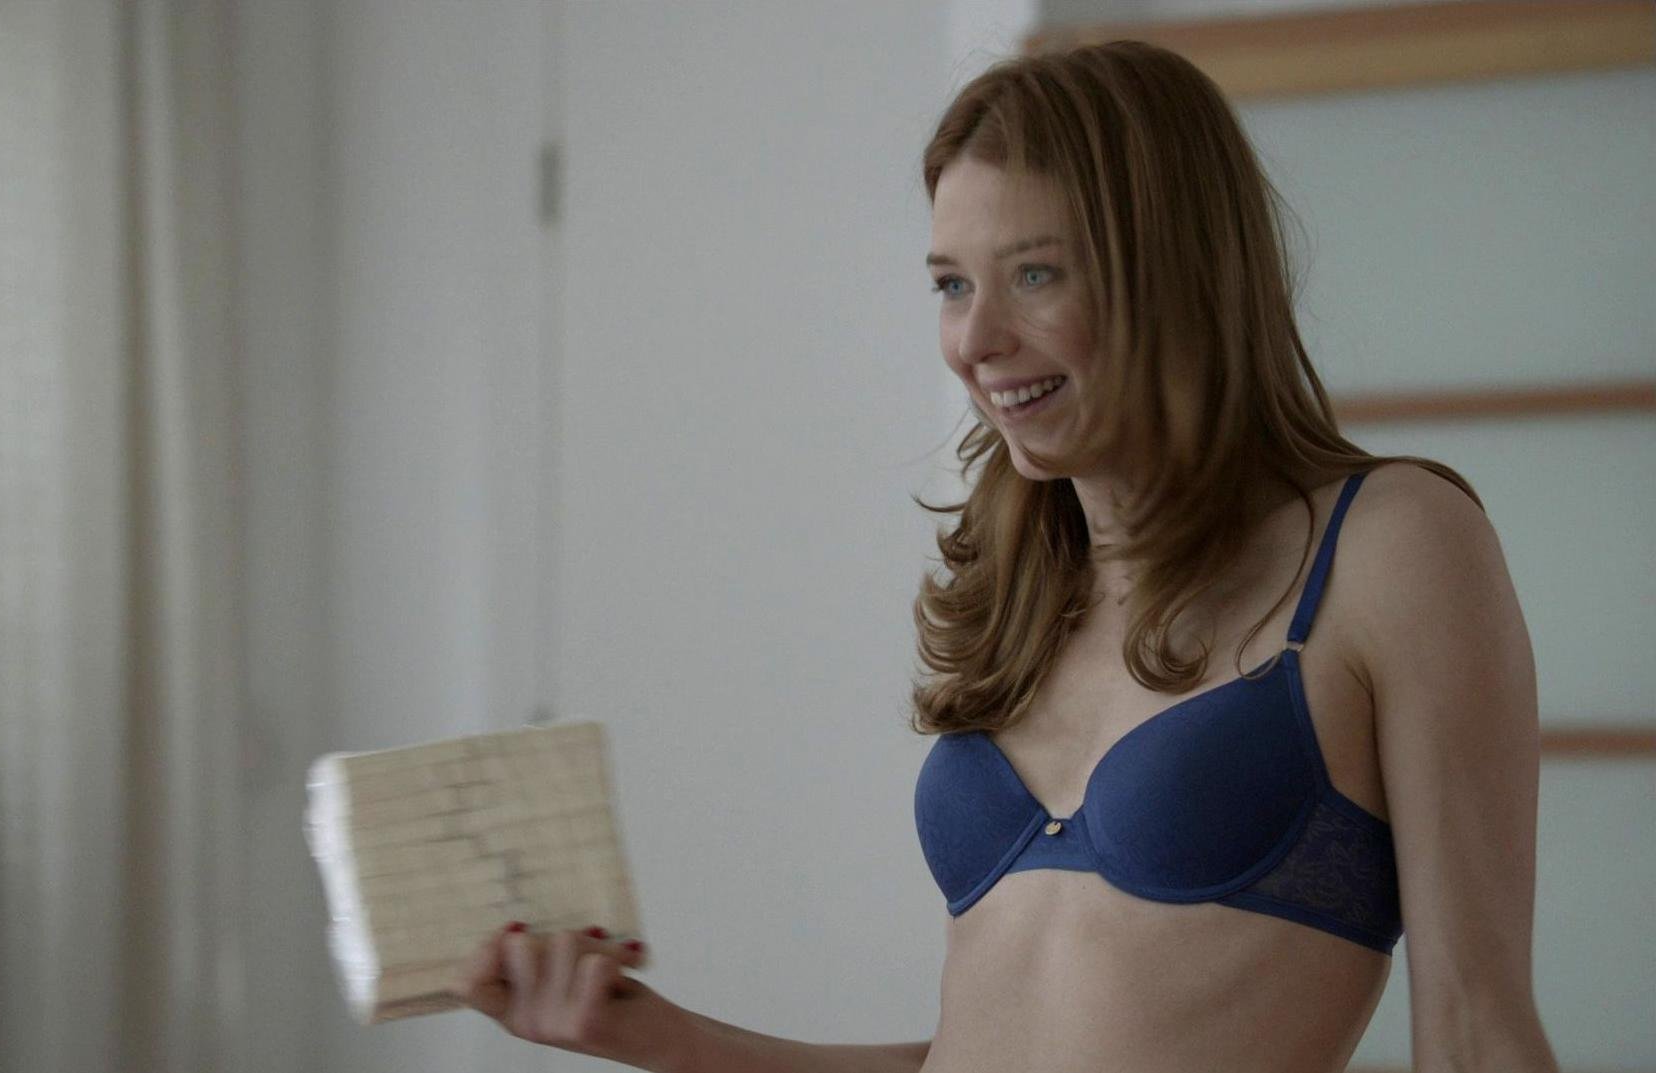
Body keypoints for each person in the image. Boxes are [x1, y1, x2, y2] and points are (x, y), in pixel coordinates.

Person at [453, 38, 1559, 1073]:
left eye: (1034, 274)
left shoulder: (1390, 545)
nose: (975, 341)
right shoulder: (1030, 584)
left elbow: (1478, 1028)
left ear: (1173, 272)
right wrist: (650, 1032)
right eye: (951, 283)